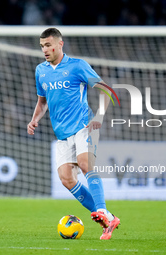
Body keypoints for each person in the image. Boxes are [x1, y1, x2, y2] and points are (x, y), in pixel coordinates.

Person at [27, 27, 120, 240]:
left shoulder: (77, 66)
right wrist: (34, 119)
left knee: (85, 163)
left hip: (84, 125)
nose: (45, 50)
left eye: (49, 45)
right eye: (42, 46)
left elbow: (106, 90)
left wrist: (99, 116)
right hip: (62, 133)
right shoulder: (41, 71)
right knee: (66, 178)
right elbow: (42, 102)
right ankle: (109, 218)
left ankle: (103, 211)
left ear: (60, 44)